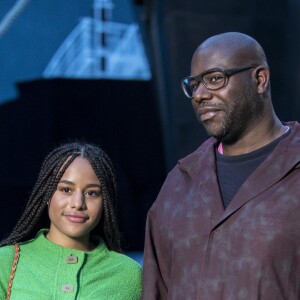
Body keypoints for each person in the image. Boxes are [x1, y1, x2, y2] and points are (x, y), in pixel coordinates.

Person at [142, 32, 300, 299]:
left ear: (259, 79)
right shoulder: (179, 185)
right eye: (194, 84)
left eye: (215, 79)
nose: (200, 95)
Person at [0, 142, 142, 299]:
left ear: (105, 202)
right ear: (47, 196)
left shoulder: (129, 275)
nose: (78, 203)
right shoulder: (6, 261)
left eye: (92, 193)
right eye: (66, 190)